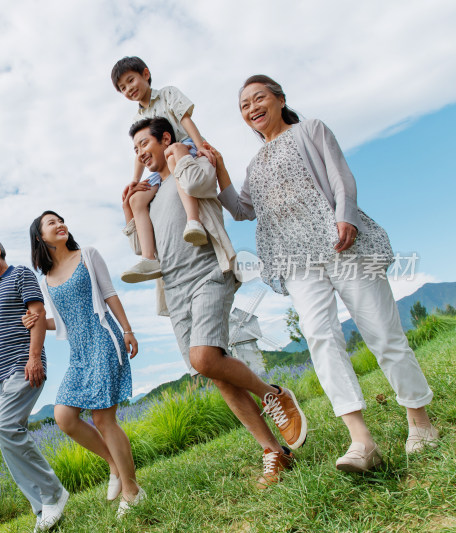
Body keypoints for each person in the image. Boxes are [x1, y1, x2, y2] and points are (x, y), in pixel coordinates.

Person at [213, 74, 438, 472]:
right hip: (296, 261)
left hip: (340, 244)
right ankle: (360, 440)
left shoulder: (310, 130)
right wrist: (220, 169)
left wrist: (344, 217)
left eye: (258, 98)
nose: (251, 108)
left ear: (280, 99)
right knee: (320, 338)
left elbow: (340, 177)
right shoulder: (256, 162)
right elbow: (241, 208)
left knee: (382, 333)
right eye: (244, 105)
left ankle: (419, 421)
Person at [123, 117, 308, 488]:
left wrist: (179, 156)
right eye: (135, 150)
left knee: (204, 357)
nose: (141, 154)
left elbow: (200, 183)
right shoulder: (153, 195)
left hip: (210, 272)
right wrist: (130, 208)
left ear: (164, 139)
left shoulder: (192, 162)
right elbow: (144, 252)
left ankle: (274, 395)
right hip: (174, 291)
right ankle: (274, 451)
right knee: (213, 369)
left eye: (145, 144)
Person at [23, 210, 144, 518]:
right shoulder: (46, 279)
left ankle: (132, 491)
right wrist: (38, 320)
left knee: (104, 419)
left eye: (60, 220)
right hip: (79, 353)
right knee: (64, 416)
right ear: (40, 237)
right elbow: (61, 321)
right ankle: (114, 465)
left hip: (103, 339)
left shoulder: (87, 255)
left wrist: (127, 330)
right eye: (51, 223)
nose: (60, 224)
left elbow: (110, 294)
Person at [0, 236, 68, 532]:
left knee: (4, 428)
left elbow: (37, 313)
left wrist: (35, 358)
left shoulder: (20, 274)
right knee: (7, 440)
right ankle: (42, 507)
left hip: (23, 365)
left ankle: (54, 494)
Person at [111, 56, 215, 283]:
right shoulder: (137, 118)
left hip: (183, 147)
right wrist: (135, 180)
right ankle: (149, 257)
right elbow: (141, 152)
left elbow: (185, 119)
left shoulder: (167, 94)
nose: (129, 89)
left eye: (131, 81)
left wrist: (200, 146)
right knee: (136, 200)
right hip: (161, 165)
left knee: (174, 153)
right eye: (123, 88)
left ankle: (193, 220)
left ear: (145, 74)